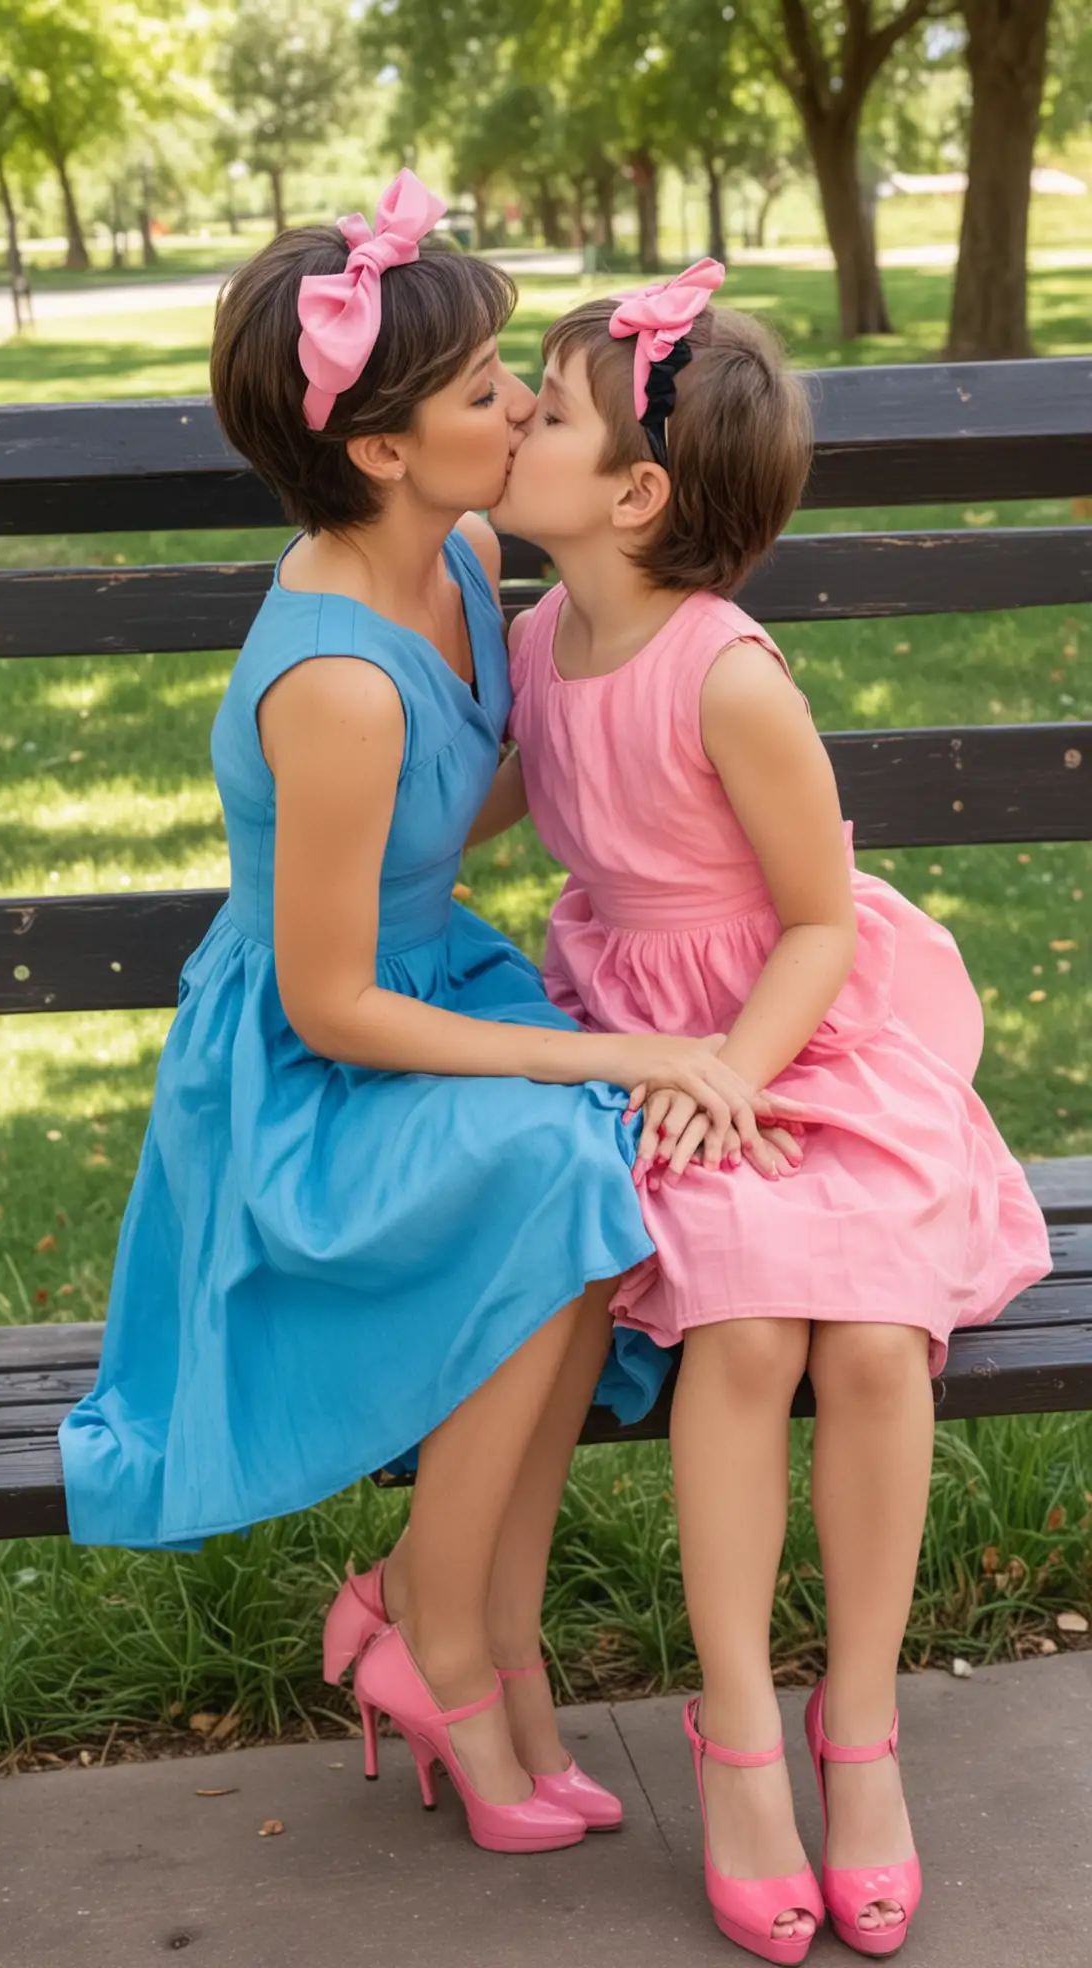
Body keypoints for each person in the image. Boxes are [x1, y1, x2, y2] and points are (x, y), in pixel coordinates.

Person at [58, 178, 797, 1857]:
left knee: (590, 1181)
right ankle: (446, 1646)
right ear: (382, 449)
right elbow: (330, 997)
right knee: (568, 1154)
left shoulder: (467, 556)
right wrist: (617, 1042)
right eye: (484, 392)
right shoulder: (332, 675)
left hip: (431, 994)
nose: (528, 407)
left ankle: (458, 1617)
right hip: (314, 1077)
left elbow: (456, 800)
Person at [492, 258, 1051, 1952]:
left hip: (797, 1040)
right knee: (743, 1332)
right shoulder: (535, 637)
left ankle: (856, 1726)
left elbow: (818, 918)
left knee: (876, 1341)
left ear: (635, 490)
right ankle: (737, 1729)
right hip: (651, 1044)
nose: (516, 417)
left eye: (550, 407)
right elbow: (485, 803)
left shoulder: (729, 675)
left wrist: (738, 1067)